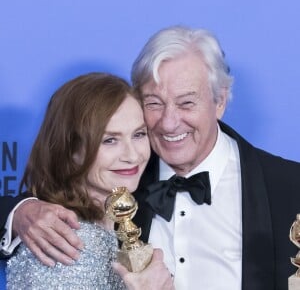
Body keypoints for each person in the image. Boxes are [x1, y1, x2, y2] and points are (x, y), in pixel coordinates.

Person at [1, 26, 300, 290]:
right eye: (154, 103)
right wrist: (20, 213)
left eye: (186, 103)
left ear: (219, 101)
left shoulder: (288, 186)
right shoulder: (121, 174)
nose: (169, 123)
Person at [4, 72, 174, 289]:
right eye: (110, 140)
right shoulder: (63, 247)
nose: (132, 155)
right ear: (71, 151)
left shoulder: (118, 220)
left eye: (139, 135)